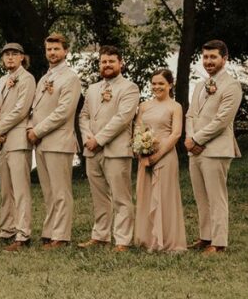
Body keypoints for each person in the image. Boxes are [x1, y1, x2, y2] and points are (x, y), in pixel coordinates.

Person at [78, 45, 140, 251]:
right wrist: (88, 137)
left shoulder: (129, 88)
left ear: (120, 63)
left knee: (121, 197)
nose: (107, 65)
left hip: (116, 149)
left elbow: (122, 119)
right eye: (103, 62)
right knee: (99, 196)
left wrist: (99, 139)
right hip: (92, 149)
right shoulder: (93, 89)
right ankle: (100, 235)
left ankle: (122, 240)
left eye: (111, 61)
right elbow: (83, 115)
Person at [185, 40, 243, 254]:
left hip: (216, 149)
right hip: (195, 149)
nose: (208, 61)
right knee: (201, 197)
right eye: (206, 57)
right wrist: (190, 139)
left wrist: (198, 139)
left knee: (216, 197)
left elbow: (221, 120)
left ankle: (218, 243)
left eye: (213, 57)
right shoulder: (201, 85)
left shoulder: (231, 86)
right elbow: (191, 114)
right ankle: (205, 236)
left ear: (224, 59)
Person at [27, 34, 81, 249]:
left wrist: (37, 131)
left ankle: (62, 236)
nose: (52, 53)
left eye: (56, 49)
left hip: (59, 141)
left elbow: (63, 112)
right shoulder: (44, 78)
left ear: (65, 51)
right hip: (41, 142)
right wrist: (31, 127)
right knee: (48, 191)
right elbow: (36, 108)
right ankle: (49, 232)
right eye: (49, 49)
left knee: (60, 192)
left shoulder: (70, 78)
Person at [134, 69, 187, 253]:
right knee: (146, 195)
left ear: (170, 85)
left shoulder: (175, 106)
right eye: (154, 83)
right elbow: (138, 130)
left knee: (165, 196)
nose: (156, 87)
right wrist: (141, 152)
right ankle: (148, 239)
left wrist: (157, 155)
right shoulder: (144, 106)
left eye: (161, 84)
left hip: (165, 155)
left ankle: (167, 240)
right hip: (145, 156)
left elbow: (176, 134)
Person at [0, 43, 34, 251]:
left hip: (18, 140)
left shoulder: (27, 78)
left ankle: (23, 234)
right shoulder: (2, 80)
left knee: (20, 189)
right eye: (6, 54)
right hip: (4, 140)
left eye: (14, 54)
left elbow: (21, 110)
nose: (9, 58)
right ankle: (7, 230)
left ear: (22, 58)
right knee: (5, 188)